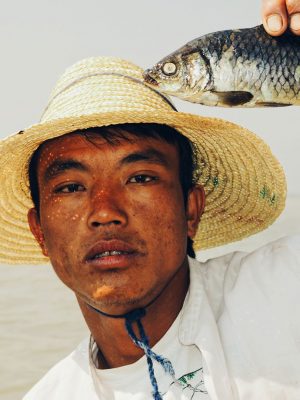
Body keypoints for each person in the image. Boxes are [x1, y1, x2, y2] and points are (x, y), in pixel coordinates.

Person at [0, 1, 299, 399]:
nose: (105, 212)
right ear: (40, 230)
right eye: (71, 187)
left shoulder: (285, 289)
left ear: (191, 208)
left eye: (140, 177)